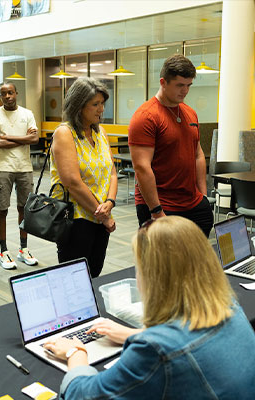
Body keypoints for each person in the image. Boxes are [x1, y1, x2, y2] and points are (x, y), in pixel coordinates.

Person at [44, 216, 255, 399]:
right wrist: (134, 334)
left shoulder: (155, 350)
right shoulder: (228, 305)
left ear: (154, 277)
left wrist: (74, 352)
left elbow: (84, 395)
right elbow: (187, 336)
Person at [128, 54, 214, 237]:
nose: (185, 91)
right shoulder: (146, 116)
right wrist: (156, 210)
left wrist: (203, 195)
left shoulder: (190, 113)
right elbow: (141, 167)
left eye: (189, 85)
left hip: (192, 202)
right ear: (163, 82)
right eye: (179, 85)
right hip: (161, 205)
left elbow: (197, 154)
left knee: (195, 259)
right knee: (163, 263)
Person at [50, 77, 117, 278]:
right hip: (76, 218)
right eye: (95, 104)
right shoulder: (65, 133)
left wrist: (110, 203)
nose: (101, 109)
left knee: (94, 272)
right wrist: (104, 215)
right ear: (79, 106)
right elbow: (72, 182)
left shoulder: (100, 132)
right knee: (75, 278)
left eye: (102, 104)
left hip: (102, 215)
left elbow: (112, 173)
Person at [0, 82, 39, 270]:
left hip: (24, 168)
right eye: (4, 94)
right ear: (0, 96)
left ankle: (23, 250)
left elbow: (34, 139)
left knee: (24, 210)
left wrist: (7, 137)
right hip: (4, 167)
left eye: (11, 92)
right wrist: (21, 139)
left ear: (16, 93)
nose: (8, 96)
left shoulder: (27, 114)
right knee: (2, 209)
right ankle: (3, 252)